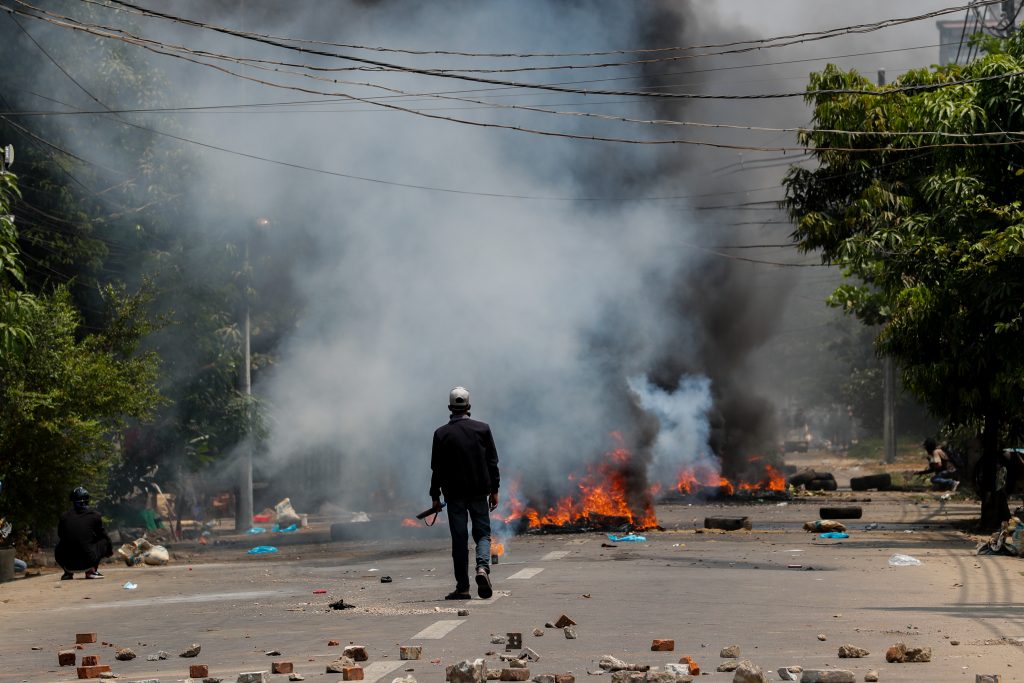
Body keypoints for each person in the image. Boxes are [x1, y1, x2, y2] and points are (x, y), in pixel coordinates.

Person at [429, 386, 500, 600]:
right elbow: (492, 463)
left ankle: (463, 587)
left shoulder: (441, 434)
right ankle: (482, 569)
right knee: (483, 535)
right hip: (479, 492)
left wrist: (434, 496)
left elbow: (437, 469)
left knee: (459, 539)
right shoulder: (483, 429)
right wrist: (494, 490)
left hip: (454, 496)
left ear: (450, 407)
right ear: (468, 407)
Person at [54, 487, 113, 580]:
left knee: (60, 545)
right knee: (104, 541)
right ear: (87, 501)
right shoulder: (95, 515)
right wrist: (109, 551)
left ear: (72, 502)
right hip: (88, 560)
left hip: (68, 562)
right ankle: (91, 571)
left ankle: (67, 573)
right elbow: (103, 535)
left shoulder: (64, 516)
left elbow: (61, 535)